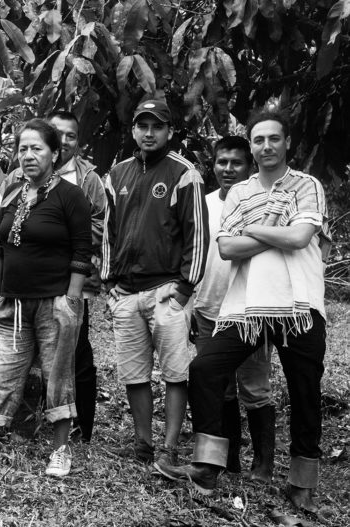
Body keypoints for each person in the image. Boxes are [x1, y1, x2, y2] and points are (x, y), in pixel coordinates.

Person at [156, 113, 329, 513]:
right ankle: (208, 465)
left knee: (305, 390)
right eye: (258, 140)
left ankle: (302, 483)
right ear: (252, 146)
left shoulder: (307, 185)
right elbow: (227, 249)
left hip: (298, 305)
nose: (266, 146)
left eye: (273, 139)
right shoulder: (238, 193)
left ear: (287, 142)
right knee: (205, 369)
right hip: (245, 306)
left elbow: (301, 236)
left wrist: (253, 231)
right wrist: (275, 228)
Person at [0, 119, 93, 478]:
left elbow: (81, 253)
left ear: (55, 153)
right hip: (12, 304)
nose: (28, 156)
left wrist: (70, 302)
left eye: (37, 148)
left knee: (57, 376)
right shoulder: (12, 192)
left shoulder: (71, 196)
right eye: (23, 148)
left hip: (53, 302)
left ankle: (60, 450)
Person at [102, 99, 206, 466]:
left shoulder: (184, 173)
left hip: (167, 291)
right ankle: (143, 444)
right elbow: (109, 233)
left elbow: (198, 234)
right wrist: (108, 281)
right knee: (135, 373)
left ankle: (170, 447)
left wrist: (185, 288)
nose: (149, 133)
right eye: (142, 126)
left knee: (175, 372)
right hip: (127, 293)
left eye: (157, 126)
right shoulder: (117, 174)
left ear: (169, 132)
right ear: (133, 130)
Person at [1, 110, 108, 442]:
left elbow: (97, 228)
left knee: (75, 357)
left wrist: (52, 231)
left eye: (70, 136)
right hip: (24, 286)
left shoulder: (86, 180)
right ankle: (26, 425)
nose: (62, 141)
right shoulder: (17, 178)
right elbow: (5, 229)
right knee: (24, 356)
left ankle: (78, 432)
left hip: (69, 284)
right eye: (56, 134)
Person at [185, 136, 275, 479]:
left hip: (249, 312)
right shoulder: (203, 204)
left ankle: (264, 464)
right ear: (214, 165)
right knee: (216, 385)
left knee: (255, 387)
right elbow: (194, 257)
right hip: (208, 309)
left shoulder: (262, 206)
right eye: (222, 162)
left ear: (249, 166)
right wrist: (192, 302)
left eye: (236, 163)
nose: (228, 169)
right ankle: (227, 459)